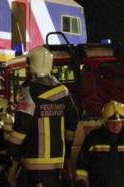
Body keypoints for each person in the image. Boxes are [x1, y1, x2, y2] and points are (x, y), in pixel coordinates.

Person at [6, 46, 79, 187]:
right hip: (57, 161)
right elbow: (73, 122)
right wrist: (67, 147)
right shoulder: (63, 91)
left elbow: (22, 127)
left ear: (31, 64)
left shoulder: (29, 91)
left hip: (34, 162)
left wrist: (11, 150)